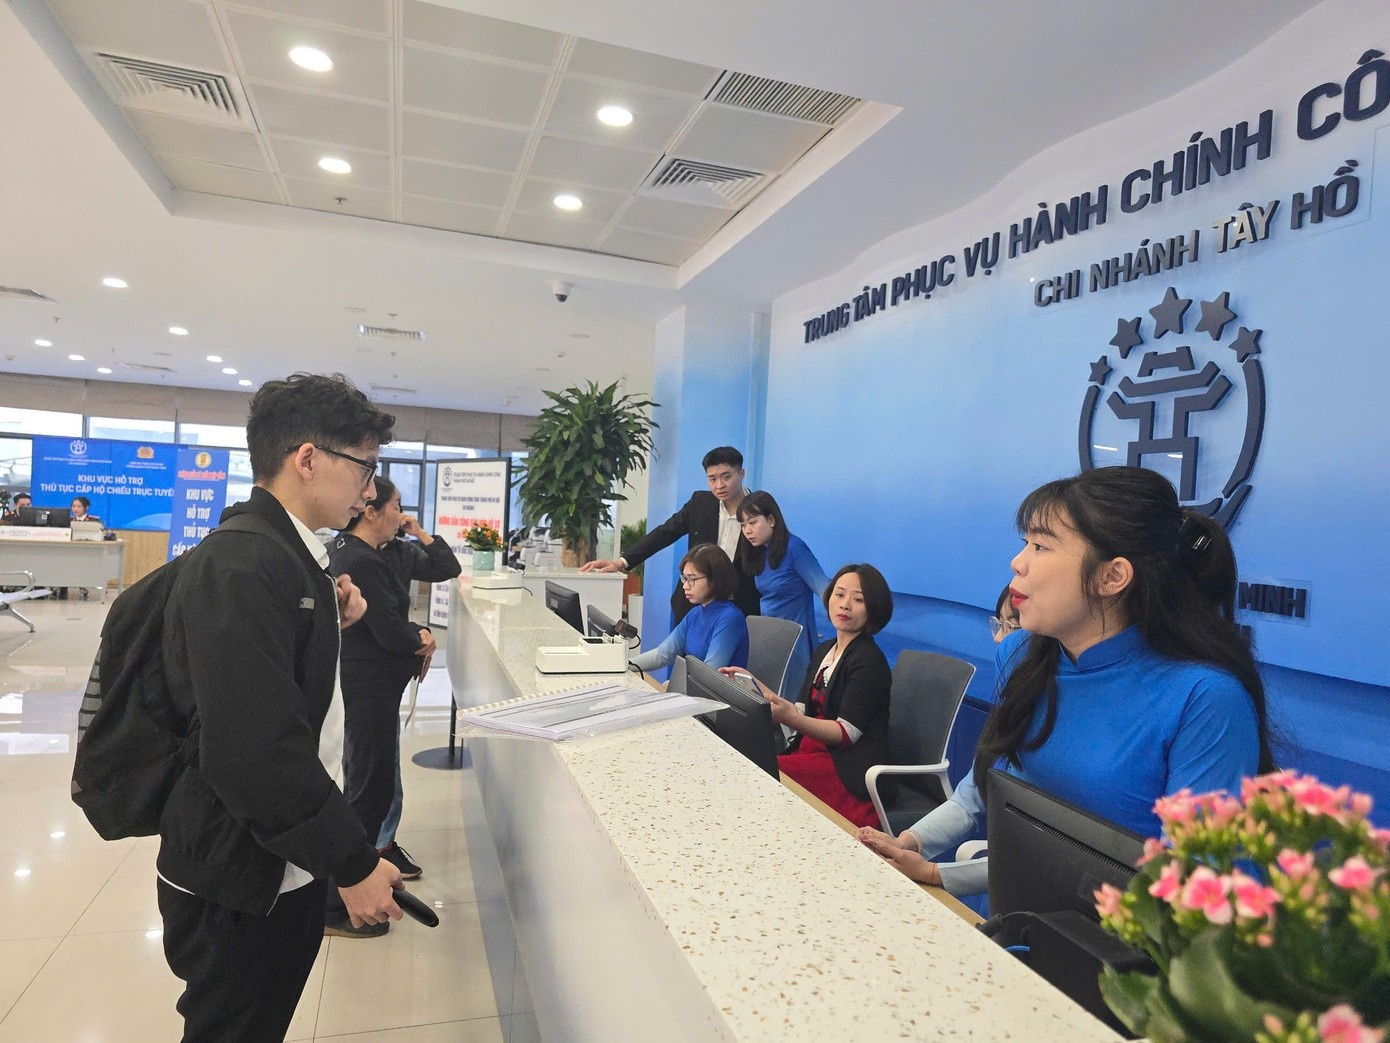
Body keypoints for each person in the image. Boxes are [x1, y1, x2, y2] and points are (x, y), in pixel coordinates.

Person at [858, 466, 1273, 896]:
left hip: (1116, 932)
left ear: (1111, 577)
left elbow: (1192, 884)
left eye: (1041, 545)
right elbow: (987, 780)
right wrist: (912, 843)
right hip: (1014, 909)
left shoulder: (1206, 699)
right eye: (1025, 543)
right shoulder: (1019, 655)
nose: (1017, 562)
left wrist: (944, 876)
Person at [156, 373, 404, 1040]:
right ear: (308, 458)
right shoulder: (244, 566)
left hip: (281, 860)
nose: (369, 490)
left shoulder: (288, 557)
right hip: (237, 876)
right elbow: (254, 753)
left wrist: (327, 622)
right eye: (364, 467)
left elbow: (270, 687)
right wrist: (352, 862)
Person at [327, 476, 461, 911]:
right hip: (368, 687)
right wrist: (418, 637)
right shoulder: (360, 559)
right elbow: (387, 629)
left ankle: (360, 879)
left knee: (372, 781)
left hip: (370, 686)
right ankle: (344, 896)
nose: (401, 515)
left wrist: (415, 634)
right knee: (370, 789)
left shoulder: (368, 552)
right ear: (370, 511)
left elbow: (441, 571)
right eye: (396, 505)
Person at [732, 563, 894, 829]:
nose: (845, 605)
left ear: (874, 609)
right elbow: (801, 711)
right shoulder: (824, 650)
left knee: (762, 773)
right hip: (812, 750)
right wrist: (758, 687)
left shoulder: (869, 660)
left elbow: (845, 734)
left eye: (858, 600)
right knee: (750, 762)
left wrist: (788, 717)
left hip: (844, 768)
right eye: (839, 594)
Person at [582, 446, 760, 622]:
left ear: (741, 474)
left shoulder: (759, 509)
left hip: (739, 606)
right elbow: (665, 533)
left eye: (726, 477)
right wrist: (620, 563)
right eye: (712, 479)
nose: (719, 485)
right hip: (694, 606)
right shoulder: (700, 503)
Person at [736, 491, 830, 690]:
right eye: (743, 525)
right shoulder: (761, 551)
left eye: (752, 522)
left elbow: (823, 587)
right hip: (770, 637)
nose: (747, 531)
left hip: (795, 643)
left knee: (790, 699)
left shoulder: (795, 548)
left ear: (771, 520)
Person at [629, 544, 749, 673]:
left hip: (713, 686)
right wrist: (622, 665)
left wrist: (678, 683)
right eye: (684, 579)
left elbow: (711, 673)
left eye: (692, 579)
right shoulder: (695, 614)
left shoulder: (730, 618)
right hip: (696, 683)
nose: (685, 586)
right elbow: (662, 655)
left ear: (715, 579)